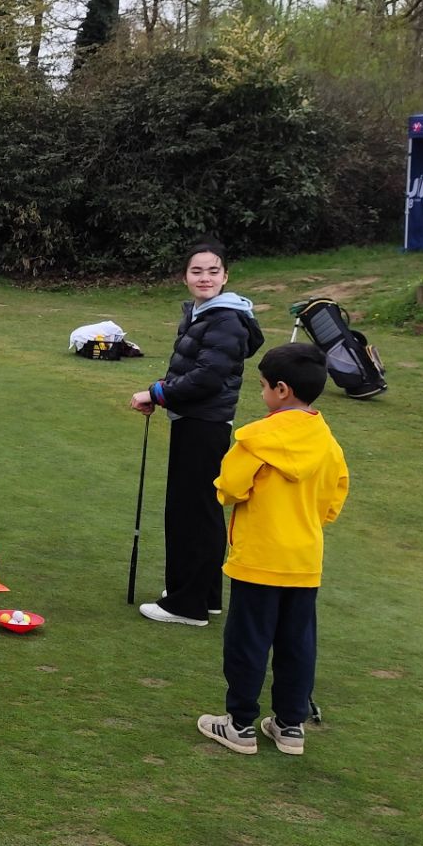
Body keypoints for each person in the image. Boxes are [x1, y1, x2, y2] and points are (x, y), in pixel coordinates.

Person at [196, 344, 350, 757]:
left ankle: (239, 724)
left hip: (259, 559)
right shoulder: (327, 443)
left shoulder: (255, 440)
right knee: (297, 643)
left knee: (247, 641)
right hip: (303, 559)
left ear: (282, 390)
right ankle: (290, 724)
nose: (261, 392)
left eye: (263, 386)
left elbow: (229, 488)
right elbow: (333, 501)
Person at [130, 241, 264, 627]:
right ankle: (203, 595)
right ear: (185, 277)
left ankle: (187, 606)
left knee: (191, 512)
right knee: (199, 509)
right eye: (196, 271)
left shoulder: (226, 319)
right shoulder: (201, 312)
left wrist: (157, 393)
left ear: (225, 276)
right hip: (195, 419)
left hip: (204, 423)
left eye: (212, 271)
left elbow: (207, 377)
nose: (205, 278)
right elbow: (187, 367)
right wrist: (161, 393)